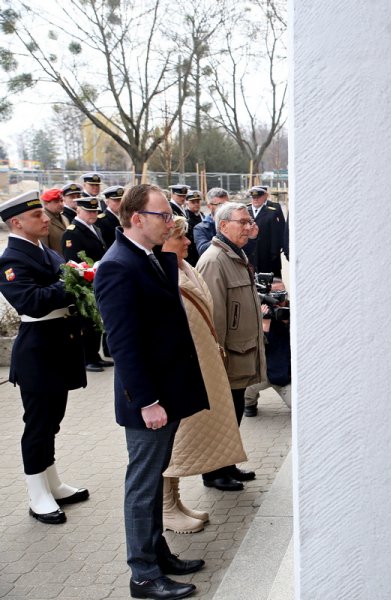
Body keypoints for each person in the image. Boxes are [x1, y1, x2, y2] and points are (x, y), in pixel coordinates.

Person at [94, 183, 209, 600]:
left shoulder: (151, 258)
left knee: (154, 479)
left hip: (167, 392)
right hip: (149, 401)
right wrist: (146, 402)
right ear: (136, 218)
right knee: (142, 488)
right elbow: (123, 344)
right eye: (162, 215)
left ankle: (158, 554)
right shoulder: (117, 265)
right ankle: (142, 574)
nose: (170, 221)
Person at [0, 190, 89, 525]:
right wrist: (73, 280)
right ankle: (37, 492)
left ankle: (52, 482)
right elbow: (31, 302)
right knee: (38, 425)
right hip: (38, 352)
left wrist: (77, 275)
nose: (44, 219)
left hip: (58, 347)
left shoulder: (43, 250)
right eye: (37, 215)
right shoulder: (12, 260)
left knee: (52, 421)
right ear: (16, 223)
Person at [159, 216, 248, 533]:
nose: (187, 243)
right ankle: (165, 508)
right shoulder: (162, 276)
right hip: (180, 373)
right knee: (173, 442)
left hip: (200, 365)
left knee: (181, 440)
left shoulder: (185, 269)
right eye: (179, 238)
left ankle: (176, 500)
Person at [196, 201, 265, 491]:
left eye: (250, 222)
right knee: (222, 415)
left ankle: (228, 464)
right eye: (243, 222)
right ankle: (214, 472)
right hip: (228, 356)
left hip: (241, 351)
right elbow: (214, 318)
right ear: (223, 226)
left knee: (233, 412)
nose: (249, 227)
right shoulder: (215, 260)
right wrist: (217, 359)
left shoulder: (234, 254)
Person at [61, 195, 111, 373]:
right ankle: (86, 357)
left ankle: (95, 355)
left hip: (97, 279)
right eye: (89, 211)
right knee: (86, 322)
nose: (93, 214)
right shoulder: (72, 232)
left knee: (96, 321)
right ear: (78, 210)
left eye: (95, 211)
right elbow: (73, 261)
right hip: (84, 282)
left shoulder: (94, 228)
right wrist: (84, 279)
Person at [243, 277, 291, 417]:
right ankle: (250, 403)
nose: (278, 297)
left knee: (296, 406)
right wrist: (264, 324)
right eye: (274, 293)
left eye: (281, 292)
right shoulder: (260, 314)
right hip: (263, 373)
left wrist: (286, 321)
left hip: (285, 375)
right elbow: (255, 349)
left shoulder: (294, 311)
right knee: (244, 390)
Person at [246, 186, 285, 277]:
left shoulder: (271, 213)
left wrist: (274, 252)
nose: (256, 200)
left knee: (268, 279)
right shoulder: (246, 212)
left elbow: (275, 234)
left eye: (258, 197)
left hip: (266, 252)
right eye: (253, 197)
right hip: (250, 252)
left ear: (264, 197)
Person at [193, 188, 228, 256]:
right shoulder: (201, 228)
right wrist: (223, 237)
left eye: (227, 204)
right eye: (220, 205)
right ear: (209, 206)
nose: (225, 208)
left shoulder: (234, 223)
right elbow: (202, 250)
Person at [39, 188, 70, 255]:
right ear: (46, 203)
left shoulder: (64, 218)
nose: (61, 204)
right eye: (56, 202)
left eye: (61, 201)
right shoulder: (42, 220)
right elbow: (44, 248)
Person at [182, 190, 202, 266]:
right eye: (193, 202)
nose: (196, 204)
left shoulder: (202, 216)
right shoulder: (185, 217)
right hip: (191, 253)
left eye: (198, 202)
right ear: (187, 202)